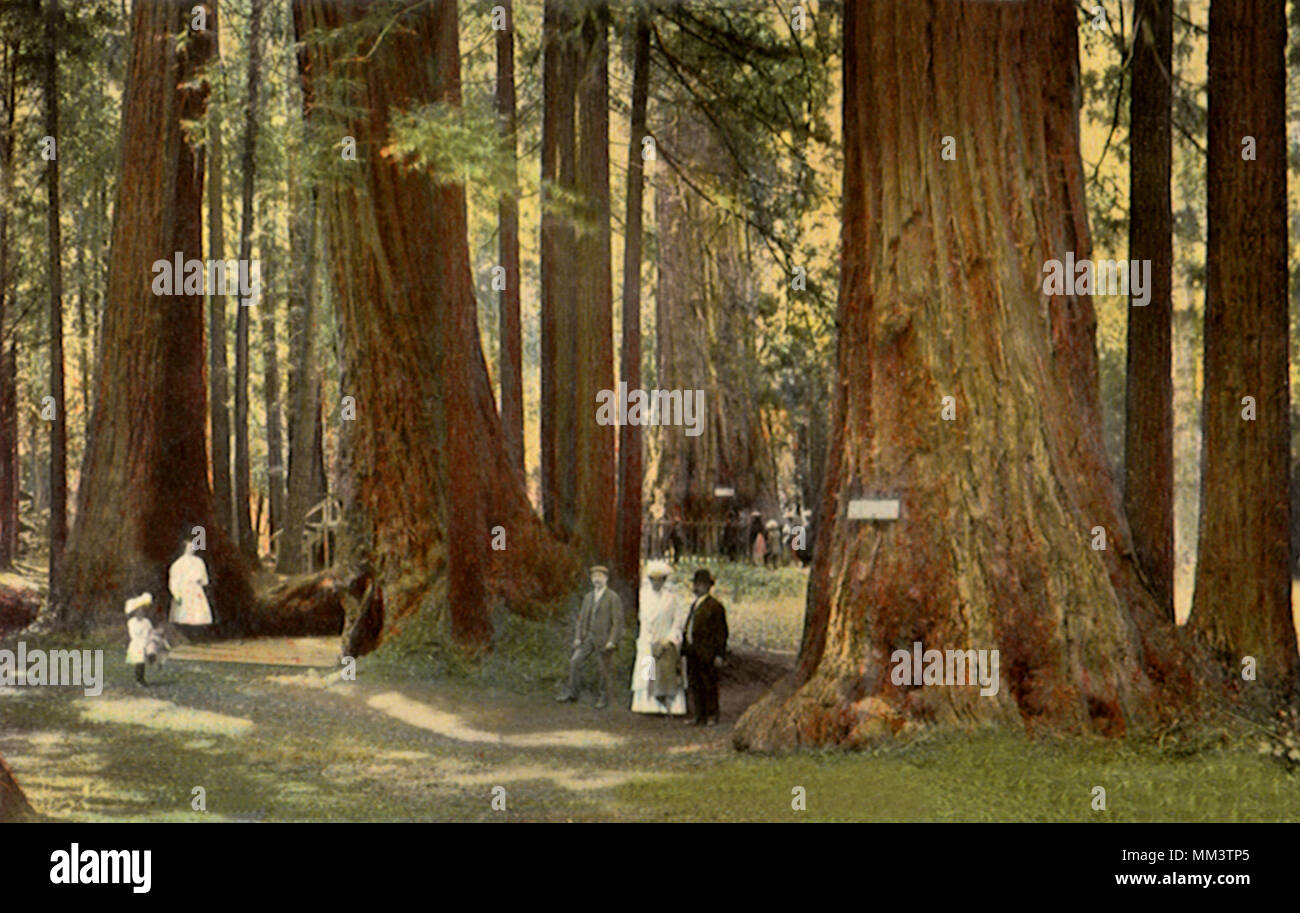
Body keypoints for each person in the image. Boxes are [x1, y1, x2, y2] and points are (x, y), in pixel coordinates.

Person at [557, 565, 624, 709]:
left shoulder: (613, 597)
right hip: (588, 638)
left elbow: (617, 622)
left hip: (605, 639)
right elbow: (582, 620)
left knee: (603, 669)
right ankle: (573, 693)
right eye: (594, 577)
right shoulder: (588, 597)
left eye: (600, 577)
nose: (597, 580)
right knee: (575, 661)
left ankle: (603, 697)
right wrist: (578, 637)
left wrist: (612, 640)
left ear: (606, 579)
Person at [630, 560, 687, 715]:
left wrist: (667, 639)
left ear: (664, 580)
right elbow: (644, 621)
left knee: (666, 670)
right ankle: (647, 704)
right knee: (648, 669)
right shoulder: (644, 597)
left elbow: (677, 622)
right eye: (652, 579)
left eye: (659, 579)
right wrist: (650, 641)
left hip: (666, 640)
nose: (656, 583)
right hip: (648, 640)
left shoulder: (672, 599)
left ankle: (669, 705)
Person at [682, 568, 728, 725]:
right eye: (695, 584)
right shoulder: (695, 605)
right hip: (693, 651)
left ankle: (711, 715)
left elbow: (721, 632)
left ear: (708, 586)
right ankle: (699, 715)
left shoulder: (715, 606)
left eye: (701, 584)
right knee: (695, 683)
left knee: (709, 684)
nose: (697, 587)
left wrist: (720, 654)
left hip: (707, 652)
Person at [124, 593, 170, 686]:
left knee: (144, 661)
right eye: (138, 611)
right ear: (135, 613)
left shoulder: (146, 621)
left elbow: (150, 631)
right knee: (139, 662)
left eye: (142, 611)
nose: (141, 613)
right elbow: (135, 633)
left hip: (145, 641)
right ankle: (139, 680)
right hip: (137, 643)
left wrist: (157, 632)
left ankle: (149, 668)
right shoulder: (132, 622)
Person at [168, 539, 213, 632]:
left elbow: (204, 579)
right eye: (189, 547)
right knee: (184, 614)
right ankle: (186, 632)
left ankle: (197, 633)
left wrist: (199, 582)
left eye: (193, 546)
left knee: (198, 615)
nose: (192, 549)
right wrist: (177, 594)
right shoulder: (178, 563)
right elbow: (174, 580)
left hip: (195, 589)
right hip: (184, 590)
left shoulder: (199, 562)